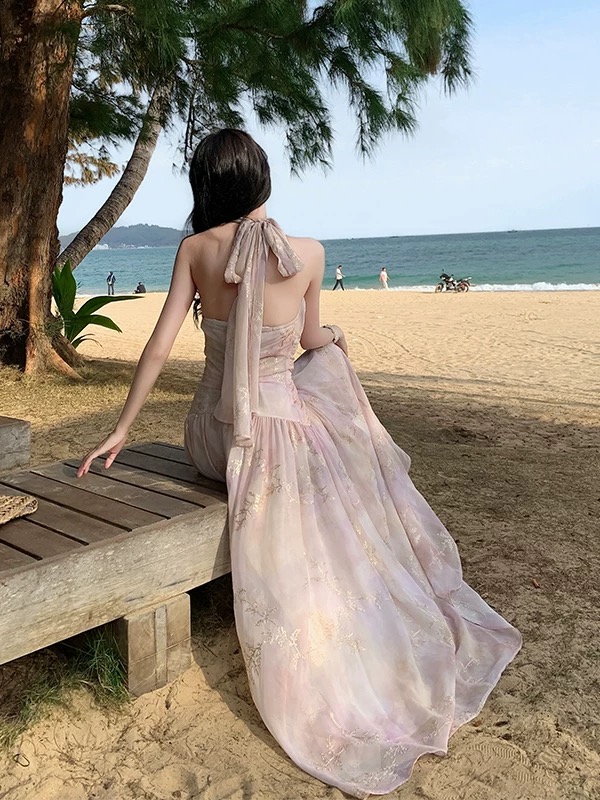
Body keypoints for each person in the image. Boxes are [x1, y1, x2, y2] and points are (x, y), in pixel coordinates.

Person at [78, 129, 521, 798]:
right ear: (263, 180)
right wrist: (335, 338)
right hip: (275, 440)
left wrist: (120, 430)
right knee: (328, 388)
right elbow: (311, 340)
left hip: (214, 441)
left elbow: (161, 347)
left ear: (207, 187)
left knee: (302, 409)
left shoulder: (196, 249)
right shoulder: (308, 253)